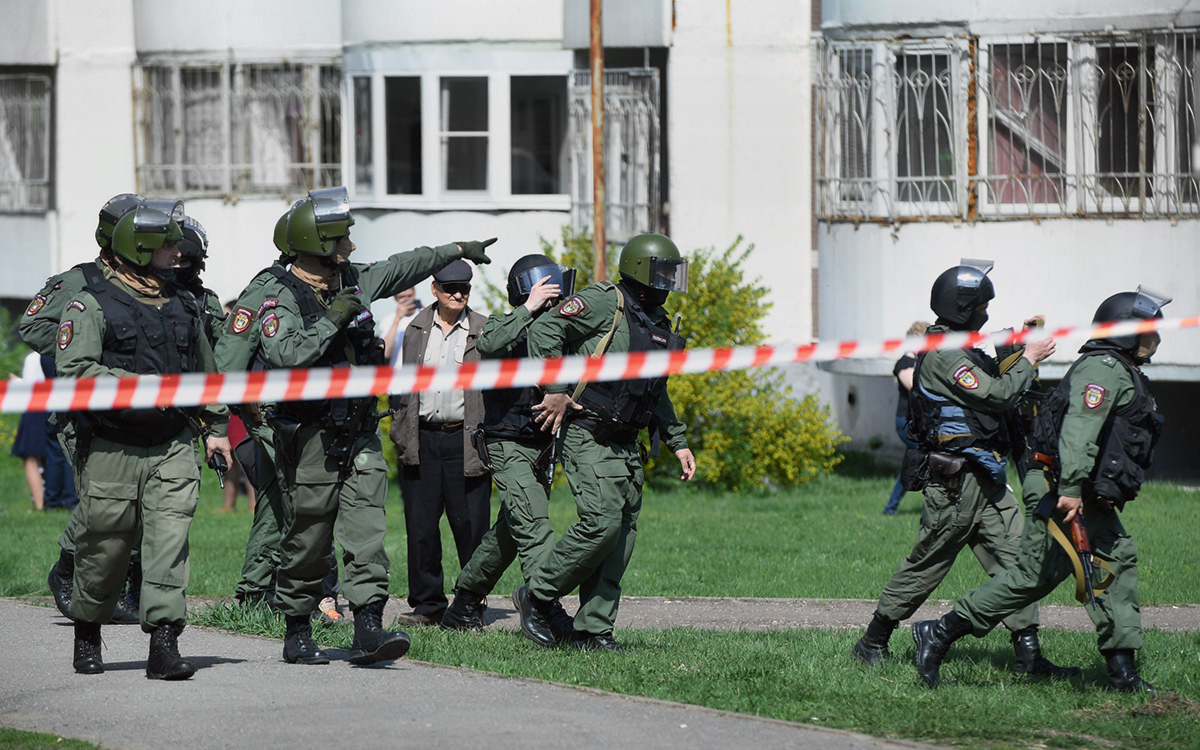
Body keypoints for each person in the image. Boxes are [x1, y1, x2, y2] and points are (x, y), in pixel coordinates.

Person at [255, 186, 495, 665]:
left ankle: (368, 624)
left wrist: (457, 250)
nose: (352, 246)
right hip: (310, 436)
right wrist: (334, 319)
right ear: (319, 243)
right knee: (309, 536)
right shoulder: (276, 292)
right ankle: (298, 626)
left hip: (359, 432)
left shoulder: (355, 281)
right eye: (343, 239)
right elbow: (286, 353)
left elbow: (407, 264)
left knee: (367, 531)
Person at [911, 288, 1171, 691]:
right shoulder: (1101, 370)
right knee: (1052, 573)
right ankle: (940, 632)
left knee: (1087, 567)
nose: (1155, 339)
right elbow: (1078, 433)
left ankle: (1122, 673)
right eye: (1148, 331)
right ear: (1124, 333)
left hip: (1079, 490)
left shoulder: (1120, 368)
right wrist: (1069, 489)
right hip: (1061, 488)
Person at [850, 260, 1077, 682]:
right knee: (929, 561)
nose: (986, 314)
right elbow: (995, 395)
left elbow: (993, 368)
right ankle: (872, 643)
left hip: (986, 476)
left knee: (1017, 561)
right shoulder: (944, 355)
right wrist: (1028, 359)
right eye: (981, 307)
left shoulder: (962, 345)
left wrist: (1017, 343)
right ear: (964, 309)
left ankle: (1029, 658)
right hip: (956, 483)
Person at [56, 203, 232, 679]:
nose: (178, 253)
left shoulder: (184, 303)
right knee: (105, 547)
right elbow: (74, 372)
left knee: (168, 542)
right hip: (113, 444)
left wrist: (217, 429)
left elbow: (205, 371)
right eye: (168, 245)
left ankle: (164, 643)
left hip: (173, 442)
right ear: (140, 249)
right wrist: (138, 384)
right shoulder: (89, 302)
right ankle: (88, 629)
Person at [514, 233, 697, 652]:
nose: (670, 280)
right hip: (590, 433)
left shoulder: (656, 323)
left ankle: (592, 630)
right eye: (663, 272)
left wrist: (676, 440)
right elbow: (543, 332)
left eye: (673, 272)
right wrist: (556, 388)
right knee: (601, 526)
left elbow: (654, 390)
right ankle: (537, 596)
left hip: (628, 444)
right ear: (641, 270)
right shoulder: (602, 301)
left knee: (621, 538)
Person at [215, 204, 345, 625]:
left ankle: (253, 592)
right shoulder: (270, 297)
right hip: (263, 428)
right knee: (305, 506)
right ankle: (320, 598)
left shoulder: (281, 295)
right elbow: (234, 365)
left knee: (273, 506)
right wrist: (225, 420)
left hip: (264, 426)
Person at [20, 193, 146, 624]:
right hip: (87, 412)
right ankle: (68, 571)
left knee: (139, 503)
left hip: (135, 408)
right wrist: (84, 344)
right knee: (103, 503)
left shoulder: (147, 282)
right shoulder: (80, 280)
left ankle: (123, 592)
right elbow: (31, 325)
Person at [441, 255, 578, 637]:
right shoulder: (506, 324)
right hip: (507, 442)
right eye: (545, 287)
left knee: (509, 532)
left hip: (542, 445)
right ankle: (545, 607)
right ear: (528, 289)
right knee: (534, 526)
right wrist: (530, 309)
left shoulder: (562, 330)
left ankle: (464, 604)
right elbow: (489, 343)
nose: (554, 294)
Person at [390, 260, 491, 626]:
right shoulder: (414, 328)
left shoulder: (483, 329)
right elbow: (397, 379)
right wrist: (400, 433)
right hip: (422, 439)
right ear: (434, 289)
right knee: (420, 528)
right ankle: (427, 605)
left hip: (466, 439)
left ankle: (470, 605)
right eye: (449, 288)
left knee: (471, 528)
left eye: (463, 288)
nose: (457, 294)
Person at [883, 321, 930, 515]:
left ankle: (891, 508)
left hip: (919, 421)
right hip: (906, 422)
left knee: (912, 462)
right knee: (923, 458)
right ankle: (931, 503)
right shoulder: (905, 363)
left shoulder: (922, 363)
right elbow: (915, 387)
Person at [11, 350, 48, 510]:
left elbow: (30, 387)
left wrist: (17, 382)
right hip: (54, 409)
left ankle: (39, 504)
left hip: (35, 411)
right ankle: (51, 499)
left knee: (30, 459)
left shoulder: (32, 358)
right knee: (50, 458)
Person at [378, 287, 421, 364]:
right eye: (402, 297)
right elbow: (385, 353)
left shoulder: (423, 315)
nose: (406, 300)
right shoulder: (388, 320)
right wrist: (397, 319)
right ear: (395, 298)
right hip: (398, 372)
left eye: (409, 296)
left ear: (414, 294)